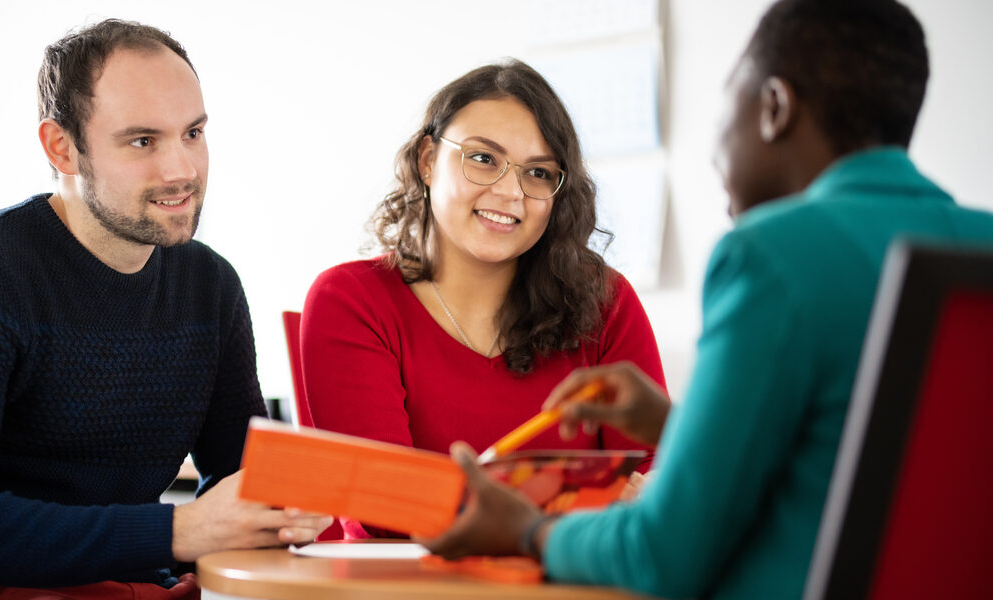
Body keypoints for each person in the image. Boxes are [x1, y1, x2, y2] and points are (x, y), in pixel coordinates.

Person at [419, 1, 993, 598]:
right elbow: (852, 461)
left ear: (773, 107)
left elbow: (661, 557)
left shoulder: (772, 253)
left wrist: (529, 531)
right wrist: (685, 426)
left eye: (728, 101)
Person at [0, 19, 330, 596]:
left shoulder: (209, 284)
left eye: (193, 133)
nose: (181, 170)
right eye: (142, 141)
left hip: (134, 589)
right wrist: (180, 530)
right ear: (62, 147)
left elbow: (240, 479)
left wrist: (280, 509)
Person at [299, 60, 665, 539]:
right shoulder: (349, 300)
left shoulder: (606, 300)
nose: (510, 191)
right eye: (483, 158)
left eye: (538, 172)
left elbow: (660, 474)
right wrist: (582, 512)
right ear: (428, 160)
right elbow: (389, 511)